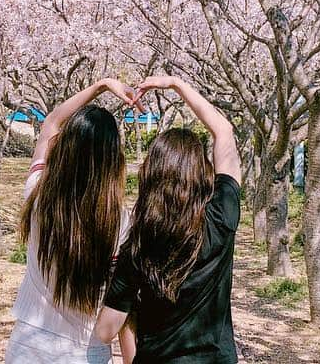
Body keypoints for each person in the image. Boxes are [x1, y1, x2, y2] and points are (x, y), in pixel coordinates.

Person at [93, 75, 242, 363]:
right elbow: (224, 131)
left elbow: (104, 331)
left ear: (152, 176)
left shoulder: (139, 242)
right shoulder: (222, 216)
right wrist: (178, 85)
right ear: (202, 173)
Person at [5, 77, 138, 364]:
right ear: (114, 160)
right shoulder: (122, 223)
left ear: (64, 149)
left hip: (28, 345)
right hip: (84, 352)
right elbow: (124, 307)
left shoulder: (38, 195)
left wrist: (101, 85)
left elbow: (51, 123)